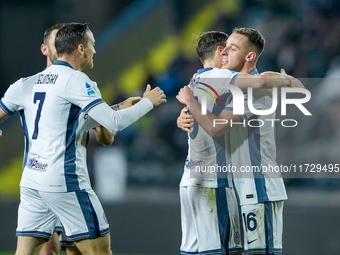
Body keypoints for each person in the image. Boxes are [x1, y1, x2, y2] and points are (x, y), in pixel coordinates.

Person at [0, 22, 166, 255]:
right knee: (99, 251)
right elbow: (113, 123)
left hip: (32, 181)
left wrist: (117, 106)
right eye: (92, 45)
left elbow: (73, 120)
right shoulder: (76, 80)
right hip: (64, 182)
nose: (94, 51)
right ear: (80, 48)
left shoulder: (27, 83)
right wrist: (150, 101)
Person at [177, 28, 302, 254]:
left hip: (259, 186)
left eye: (232, 49)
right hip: (240, 188)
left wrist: (190, 103)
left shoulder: (253, 92)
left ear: (249, 56)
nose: (224, 52)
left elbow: (215, 126)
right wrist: (184, 116)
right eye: (224, 48)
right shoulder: (232, 88)